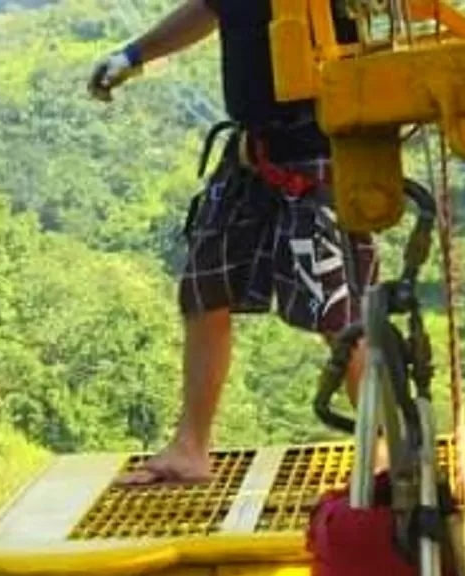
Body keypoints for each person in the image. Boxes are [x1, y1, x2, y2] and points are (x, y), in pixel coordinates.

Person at [89, 0, 371, 484]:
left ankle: (382, 449)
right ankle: (190, 447)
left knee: (339, 312)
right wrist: (135, 54)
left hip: (322, 145)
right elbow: (210, 6)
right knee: (205, 289)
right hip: (253, 147)